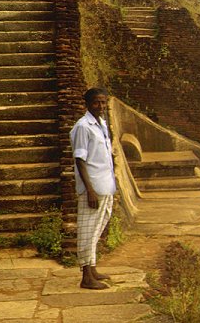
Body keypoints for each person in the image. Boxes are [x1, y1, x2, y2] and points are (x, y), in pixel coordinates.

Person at [70, 87, 116, 289]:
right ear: (87, 104)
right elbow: (80, 160)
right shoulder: (83, 127)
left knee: (98, 227)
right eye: (97, 102)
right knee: (87, 230)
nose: (101, 106)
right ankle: (86, 277)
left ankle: (93, 267)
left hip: (105, 184)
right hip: (93, 187)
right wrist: (89, 190)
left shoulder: (101, 124)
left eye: (104, 102)